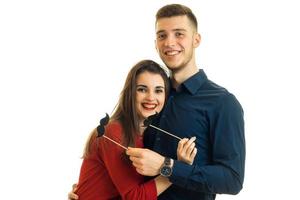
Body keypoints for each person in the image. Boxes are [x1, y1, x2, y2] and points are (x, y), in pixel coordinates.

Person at [125, 4, 246, 200]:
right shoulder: (151, 97)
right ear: (155, 43)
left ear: (196, 40)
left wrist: (168, 167)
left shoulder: (223, 103)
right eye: (162, 35)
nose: (169, 42)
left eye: (179, 34)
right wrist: (94, 187)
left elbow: (232, 180)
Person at [69, 60, 198, 200]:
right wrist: (176, 169)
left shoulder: (146, 134)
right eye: (142, 89)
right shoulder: (114, 132)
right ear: (130, 93)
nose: (151, 98)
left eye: (158, 90)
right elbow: (135, 197)